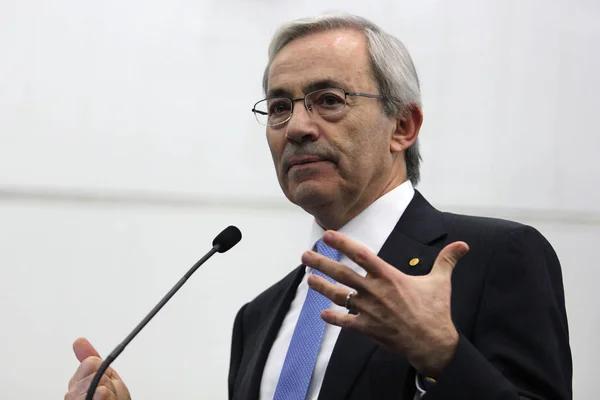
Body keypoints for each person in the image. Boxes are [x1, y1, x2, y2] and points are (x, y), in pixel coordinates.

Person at [64, 13, 572, 400]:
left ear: (403, 127)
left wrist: (442, 355)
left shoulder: (492, 258)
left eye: (329, 99)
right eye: (279, 107)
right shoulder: (258, 317)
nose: (298, 127)